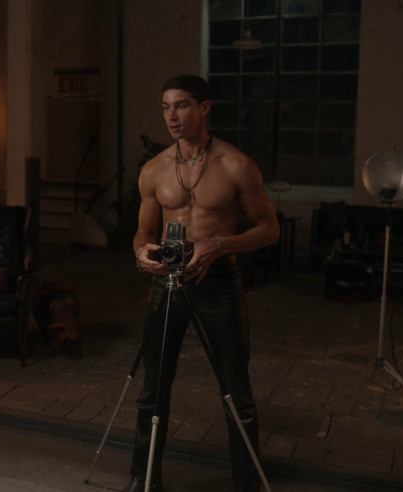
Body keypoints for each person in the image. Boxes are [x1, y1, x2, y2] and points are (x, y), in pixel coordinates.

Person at [128, 74, 280, 492]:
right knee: (152, 390)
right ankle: (144, 481)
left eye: (181, 105)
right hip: (167, 285)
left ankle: (247, 485)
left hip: (218, 285)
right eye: (165, 107)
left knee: (236, 392)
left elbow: (270, 229)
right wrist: (141, 253)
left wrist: (219, 244)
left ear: (204, 108)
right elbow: (143, 232)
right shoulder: (154, 169)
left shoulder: (235, 164)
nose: (171, 116)